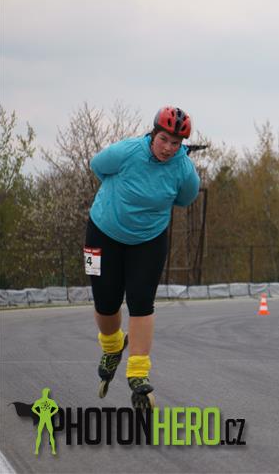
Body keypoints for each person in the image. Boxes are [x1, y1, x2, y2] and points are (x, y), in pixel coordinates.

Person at [86, 106, 200, 409]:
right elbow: (97, 166)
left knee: (141, 302)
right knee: (105, 301)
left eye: (176, 143)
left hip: (148, 241)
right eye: (164, 139)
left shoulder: (184, 170)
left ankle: (138, 374)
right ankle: (112, 346)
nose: (168, 148)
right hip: (101, 233)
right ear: (153, 134)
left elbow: (185, 198)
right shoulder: (126, 151)